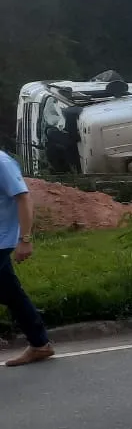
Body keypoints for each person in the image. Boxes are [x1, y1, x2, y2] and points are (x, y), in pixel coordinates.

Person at [0, 150, 53, 367]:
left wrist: (25, 239)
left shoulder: (2, 163)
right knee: (11, 294)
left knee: (11, 294)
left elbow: (23, 198)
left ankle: (40, 344)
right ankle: (40, 344)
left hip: (2, 240)